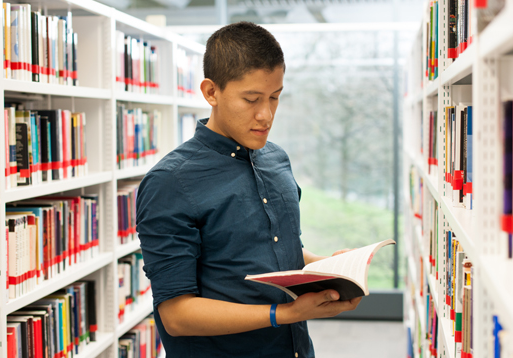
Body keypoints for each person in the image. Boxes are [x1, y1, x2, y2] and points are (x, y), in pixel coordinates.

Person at [136, 21, 362, 358]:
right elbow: (176, 315)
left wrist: (328, 267)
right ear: (211, 92)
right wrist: (284, 314)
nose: (266, 115)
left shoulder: (276, 159)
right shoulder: (170, 182)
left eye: (275, 97)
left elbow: (280, 251)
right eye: (251, 99)